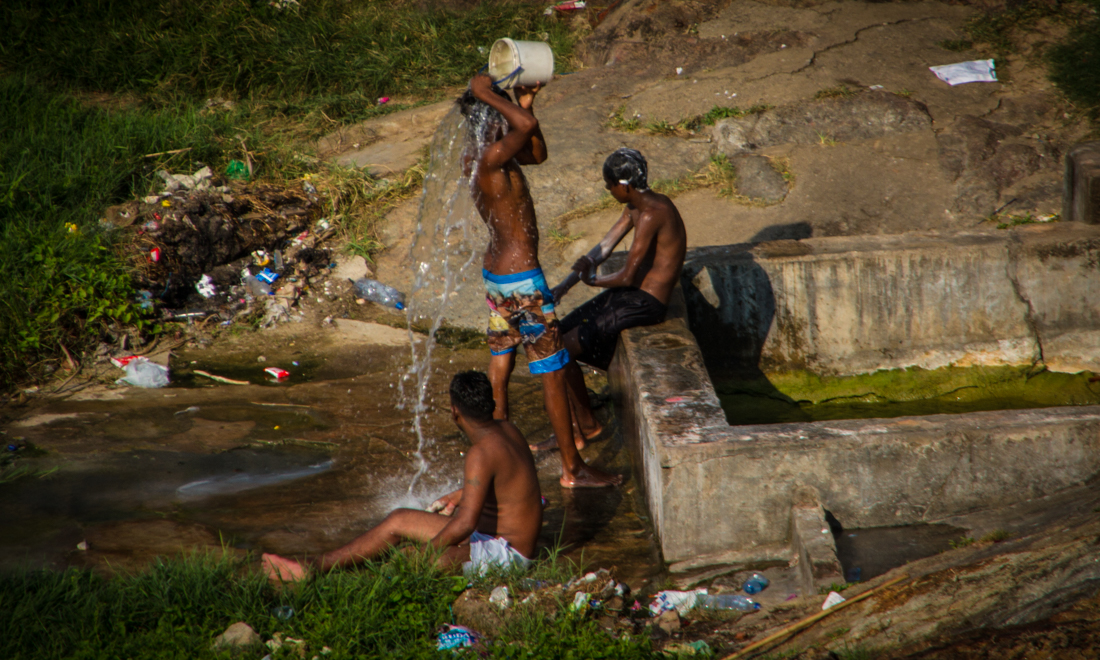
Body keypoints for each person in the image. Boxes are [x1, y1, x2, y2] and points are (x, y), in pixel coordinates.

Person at [459, 72, 621, 488]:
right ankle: (573, 469)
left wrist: (524, 104)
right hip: (522, 283)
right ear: (489, 118)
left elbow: (536, 152)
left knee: (501, 362)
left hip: (497, 279)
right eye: (499, 111)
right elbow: (525, 132)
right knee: (551, 370)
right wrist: (490, 96)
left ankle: (499, 452)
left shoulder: (480, 156)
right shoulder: (493, 157)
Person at [262, 371, 542, 581]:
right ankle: (313, 567)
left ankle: (360, 584)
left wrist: (427, 550)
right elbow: (509, 480)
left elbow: (466, 524)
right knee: (398, 519)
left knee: (414, 560)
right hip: (491, 537)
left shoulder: (480, 453)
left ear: (455, 412)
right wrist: (460, 494)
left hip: (509, 554)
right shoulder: (507, 428)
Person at [548, 148, 687, 448]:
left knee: (563, 350)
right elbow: (604, 247)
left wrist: (591, 280)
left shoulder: (652, 213)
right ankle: (581, 425)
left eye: (609, 185)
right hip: (631, 294)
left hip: (646, 302)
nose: (608, 191)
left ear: (623, 186)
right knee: (556, 337)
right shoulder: (636, 205)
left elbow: (626, 276)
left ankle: (584, 427)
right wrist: (566, 285)